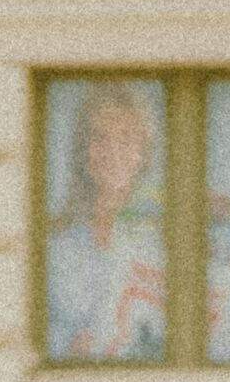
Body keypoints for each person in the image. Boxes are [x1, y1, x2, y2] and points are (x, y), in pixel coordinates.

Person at [44, 80, 166, 362]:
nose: (112, 151)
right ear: (82, 150)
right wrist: (65, 346)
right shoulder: (56, 243)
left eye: (126, 139)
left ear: (144, 154)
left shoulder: (165, 240)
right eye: (99, 137)